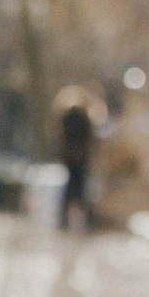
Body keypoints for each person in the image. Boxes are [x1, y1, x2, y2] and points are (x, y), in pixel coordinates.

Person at [54, 85, 97, 228]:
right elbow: (88, 137)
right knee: (80, 186)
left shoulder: (66, 116)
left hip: (69, 156)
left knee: (70, 186)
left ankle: (64, 218)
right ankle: (86, 218)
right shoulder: (84, 117)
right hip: (80, 156)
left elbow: (61, 136)